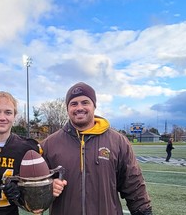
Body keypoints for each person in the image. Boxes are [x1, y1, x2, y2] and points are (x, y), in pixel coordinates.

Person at [41, 82, 152, 215]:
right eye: (74, 104)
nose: (79, 108)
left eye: (85, 102)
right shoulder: (49, 144)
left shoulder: (118, 141)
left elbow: (133, 183)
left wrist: (143, 211)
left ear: (94, 105)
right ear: (67, 108)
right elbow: (36, 186)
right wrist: (48, 187)